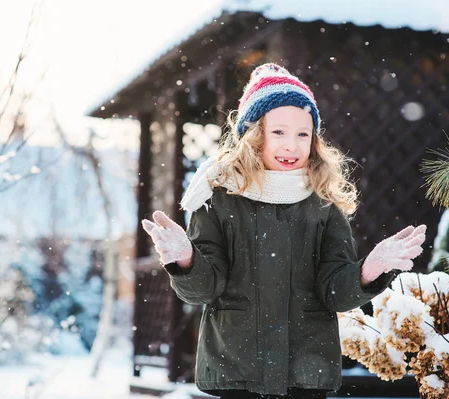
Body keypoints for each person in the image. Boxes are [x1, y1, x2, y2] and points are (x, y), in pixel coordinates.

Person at [141, 63, 426, 399]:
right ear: (253, 134)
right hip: (237, 371)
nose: (292, 145)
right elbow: (205, 289)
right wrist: (186, 261)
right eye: (279, 132)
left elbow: (336, 292)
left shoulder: (324, 203)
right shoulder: (217, 198)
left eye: (302, 134)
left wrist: (368, 270)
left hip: (306, 374)